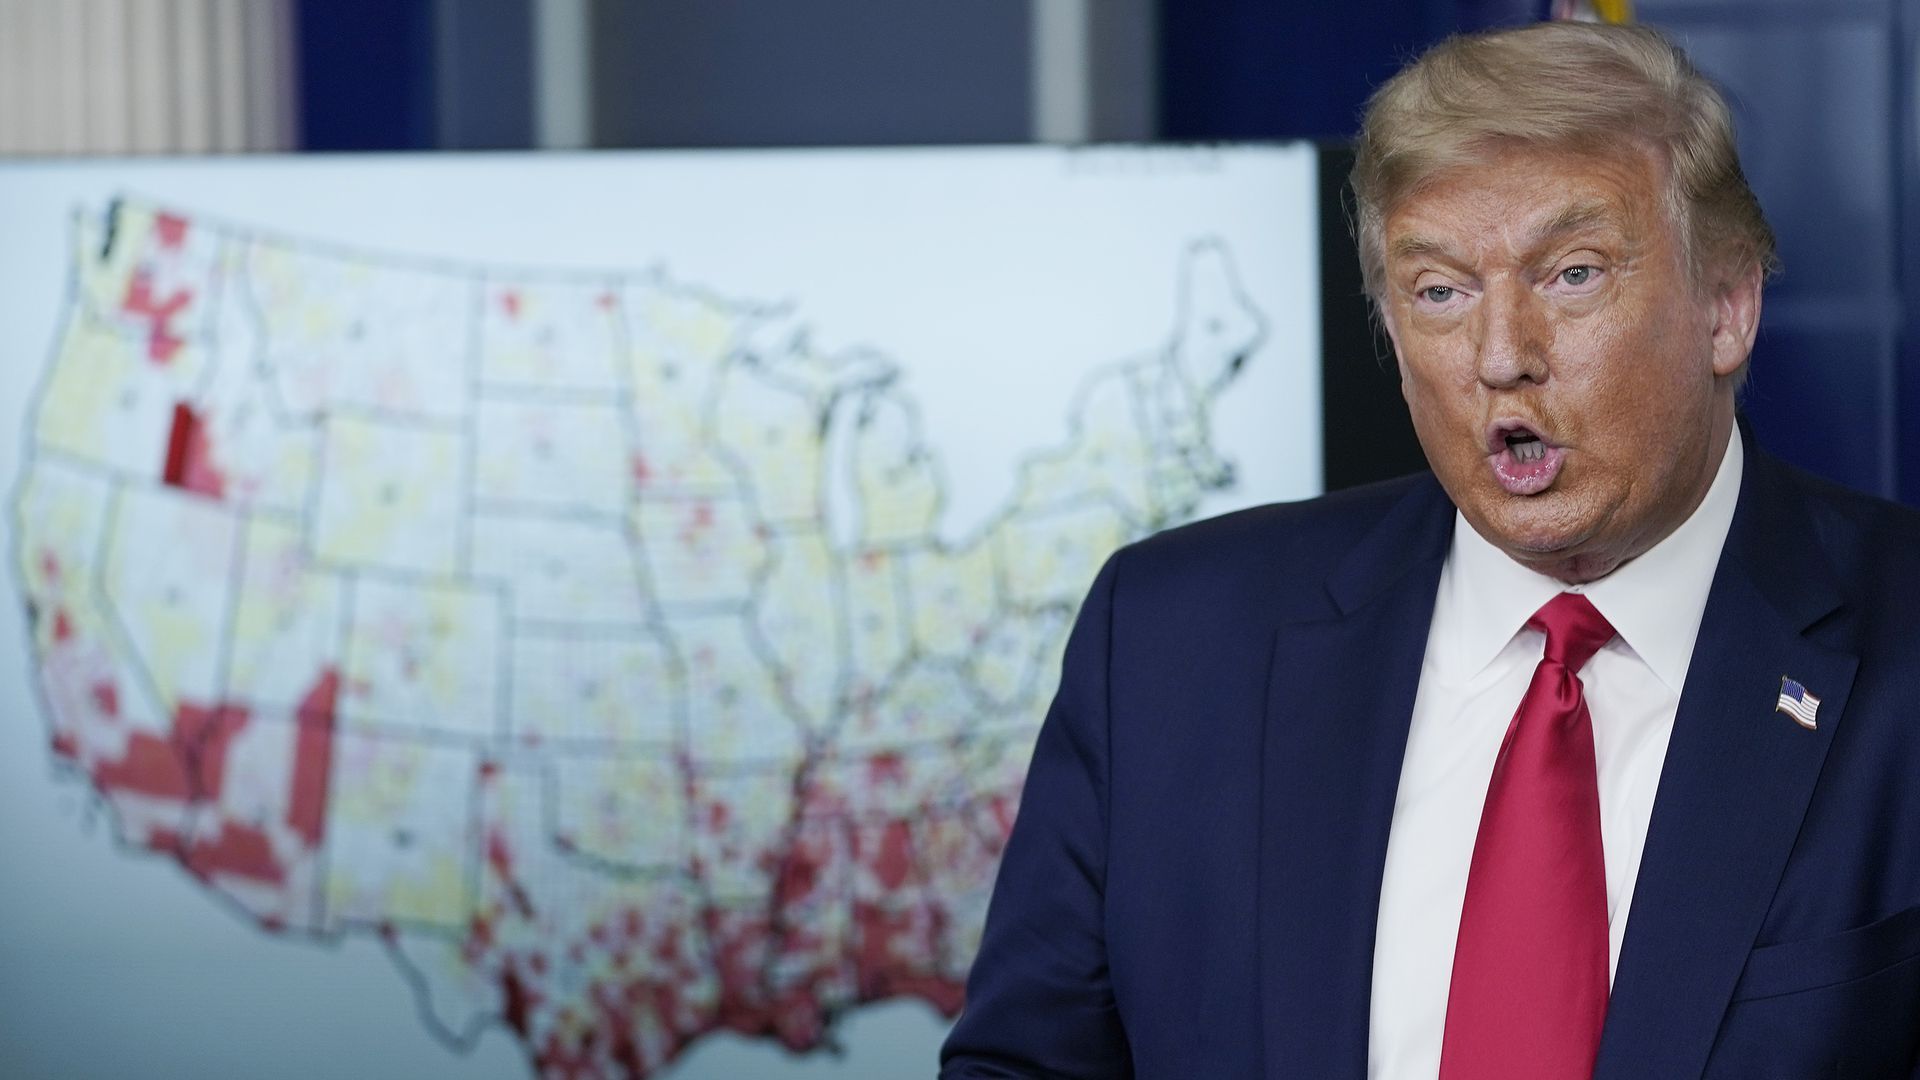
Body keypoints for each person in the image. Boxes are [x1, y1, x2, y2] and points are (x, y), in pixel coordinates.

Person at [940, 20, 1920, 1080]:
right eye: (1440, 291)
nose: (1502, 357)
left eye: (1574, 273)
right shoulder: (1172, 642)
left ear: (1726, 307)